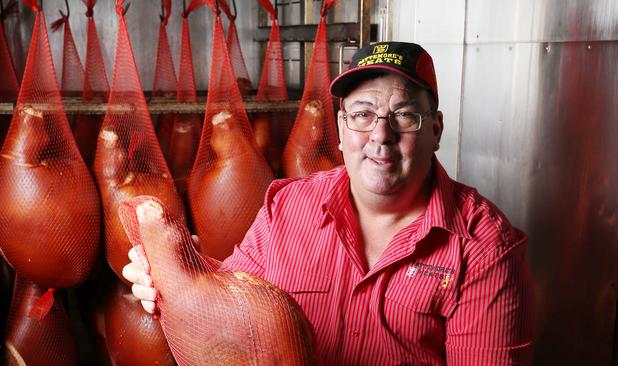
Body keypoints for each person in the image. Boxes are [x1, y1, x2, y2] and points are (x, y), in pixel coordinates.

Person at [123, 41, 535, 365]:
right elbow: (236, 312)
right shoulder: (287, 209)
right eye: (362, 114)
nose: (381, 134)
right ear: (341, 130)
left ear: (436, 129)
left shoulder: (483, 247)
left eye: (404, 115)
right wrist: (184, 277)